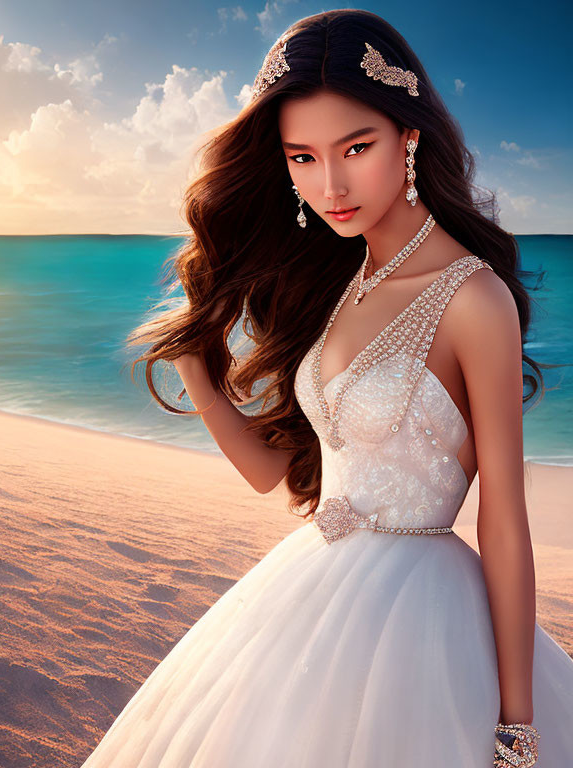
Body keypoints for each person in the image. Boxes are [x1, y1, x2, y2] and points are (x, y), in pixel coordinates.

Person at [81, 10, 573, 767]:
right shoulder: (340, 283)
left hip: (425, 619)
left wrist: (517, 723)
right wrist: (199, 371)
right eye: (302, 158)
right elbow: (271, 473)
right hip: (307, 589)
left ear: (410, 137)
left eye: (356, 147)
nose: (330, 184)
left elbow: (503, 519)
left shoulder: (472, 298)